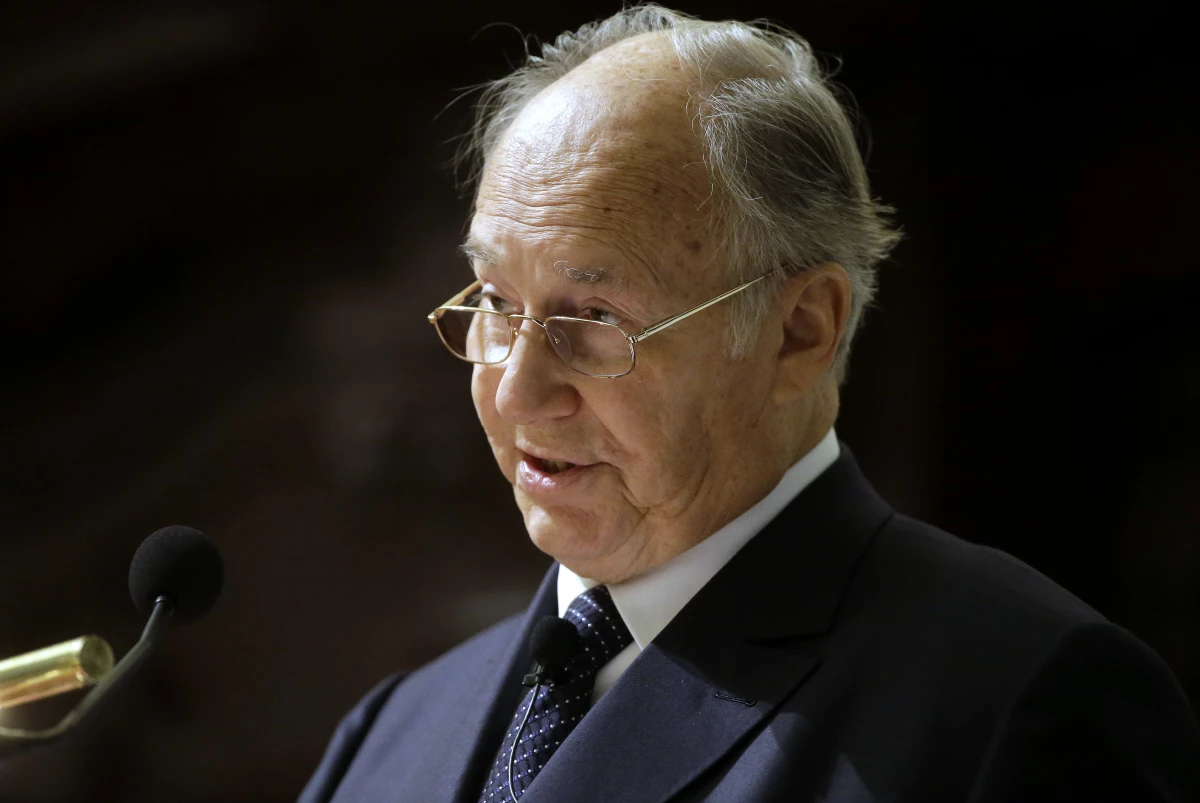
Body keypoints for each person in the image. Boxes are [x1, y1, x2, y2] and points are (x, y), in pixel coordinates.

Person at [299, 6, 1200, 802]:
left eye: (596, 316)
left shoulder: (1016, 699)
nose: (515, 387)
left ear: (799, 331)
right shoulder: (393, 732)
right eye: (496, 302)